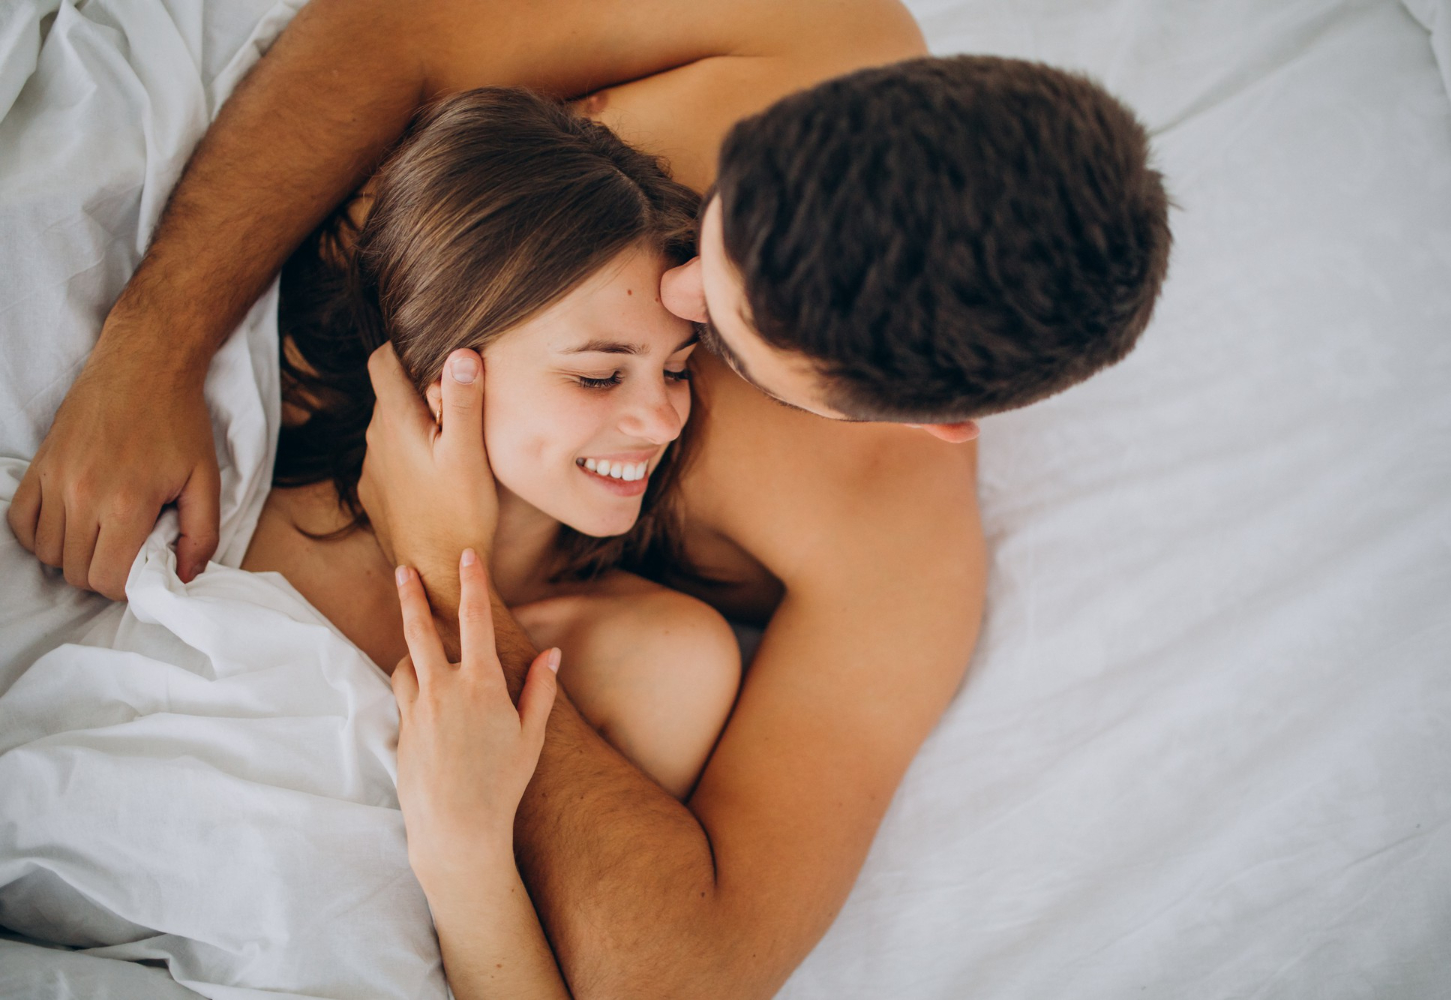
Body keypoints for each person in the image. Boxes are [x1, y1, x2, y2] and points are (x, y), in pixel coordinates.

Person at [7, 1, 1170, 995]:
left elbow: (683, 970)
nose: (677, 282)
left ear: (923, 418)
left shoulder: (893, 556)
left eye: (729, 329)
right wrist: (152, 345)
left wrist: (449, 580)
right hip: (239, 325)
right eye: (723, 215)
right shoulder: (811, 31)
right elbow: (397, 26)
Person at [241, 88, 741, 995]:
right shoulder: (252, 532)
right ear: (440, 363)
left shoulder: (656, 659)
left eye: (676, 367)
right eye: (597, 375)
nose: (663, 417)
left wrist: (464, 852)